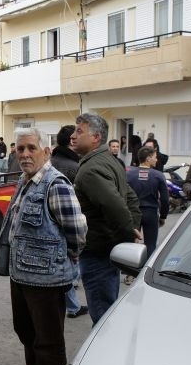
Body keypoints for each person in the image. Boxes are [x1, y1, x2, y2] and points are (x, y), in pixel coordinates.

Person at [0, 127, 87, 365]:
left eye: (31, 148)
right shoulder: (24, 182)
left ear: (46, 151)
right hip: (21, 275)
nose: (24, 154)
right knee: (26, 332)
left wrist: (69, 257)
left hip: (47, 279)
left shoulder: (56, 184)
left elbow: (77, 230)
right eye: (20, 149)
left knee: (48, 339)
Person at [71, 113, 142, 324]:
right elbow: (130, 198)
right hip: (107, 250)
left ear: (96, 138)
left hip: (97, 252)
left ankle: (104, 353)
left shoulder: (90, 170)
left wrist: (128, 236)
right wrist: (133, 228)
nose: (73, 136)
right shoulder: (108, 160)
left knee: (102, 316)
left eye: (79, 131)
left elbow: (116, 206)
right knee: (108, 306)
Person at [49, 124, 88, 319]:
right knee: (69, 263)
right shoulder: (76, 167)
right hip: (69, 223)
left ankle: (71, 303)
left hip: (48, 225)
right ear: (72, 142)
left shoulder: (49, 162)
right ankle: (72, 303)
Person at [126, 146, 169, 258]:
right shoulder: (158, 175)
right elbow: (165, 199)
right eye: (155, 157)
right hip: (151, 213)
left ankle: (130, 273)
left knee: (131, 244)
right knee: (150, 245)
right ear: (148, 158)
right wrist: (163, 216)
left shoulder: (128, 174)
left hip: (133, 213)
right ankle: (146, 271)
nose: (157, 160)